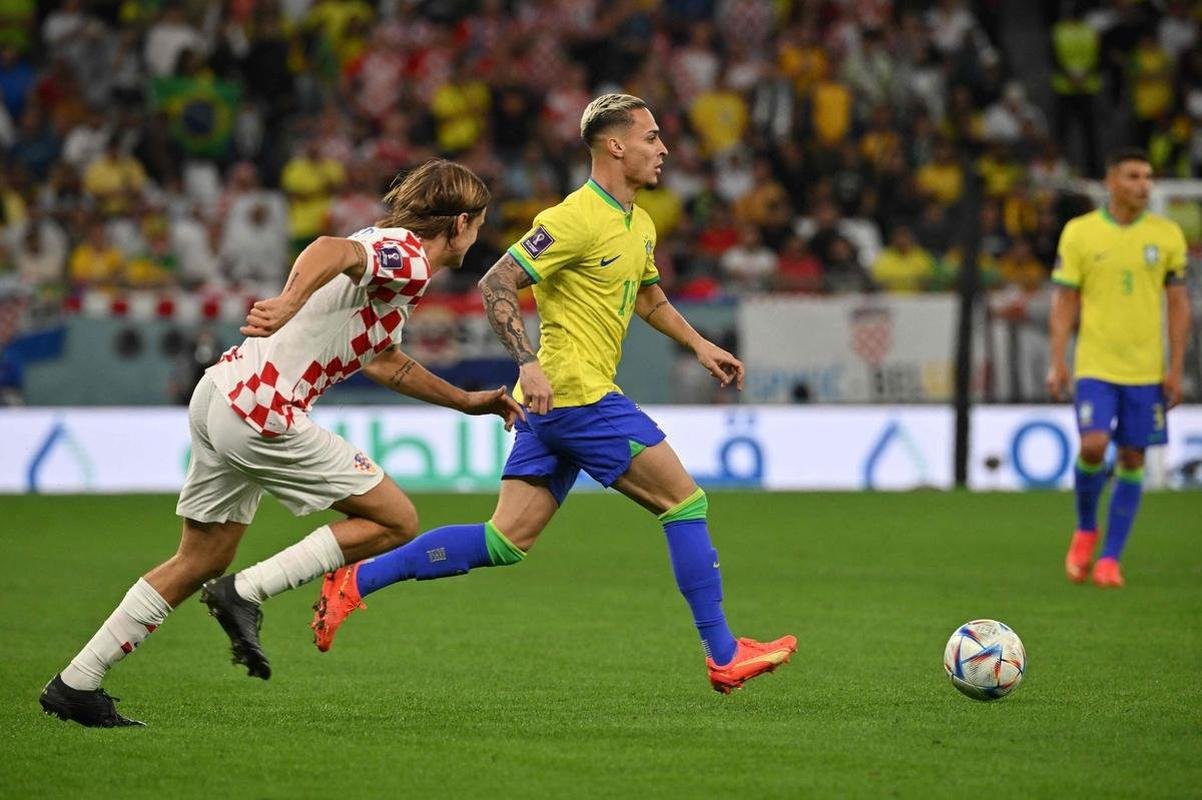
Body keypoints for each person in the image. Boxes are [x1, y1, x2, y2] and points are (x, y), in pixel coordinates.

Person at [310, 94, 796, 694]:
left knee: (504, 540)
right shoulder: (573, 218)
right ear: (615, 146)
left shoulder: (638, 222)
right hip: (575, 394)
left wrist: (698, 344)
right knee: (685, 503)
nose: (664, 149)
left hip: (556, 404)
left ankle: (356, 582)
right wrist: (528, 362)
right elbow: (497, 281)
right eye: (651, 137)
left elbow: (648, 297)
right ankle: (723, 653)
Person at [40, 159, 523, 727]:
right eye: (480, 223)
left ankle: (76, 682)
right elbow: (329, 248)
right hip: (263, 409)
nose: (479, 234)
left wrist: (467, 401)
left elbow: (386, 361)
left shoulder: (393, 261)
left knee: (200, 556)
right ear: (462, 222)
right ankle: (245, 592)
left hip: (221, 392)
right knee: (395, 519)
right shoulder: (409, 256)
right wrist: (290, 301)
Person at [1047, 148, 1191, 588]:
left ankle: (1110, 559)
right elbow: (1065, 301)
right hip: (1096, 364)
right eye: (1133, 176)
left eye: (1148, 176)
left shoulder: (1167, 236)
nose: (1143, 184)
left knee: (1133, 456)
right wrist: (1058, 362)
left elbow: (1179, 303)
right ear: (1111, 181)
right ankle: (1087, 529)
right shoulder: (1080, 233)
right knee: (1093, 446)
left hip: (1147, 370)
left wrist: (1175, 367)